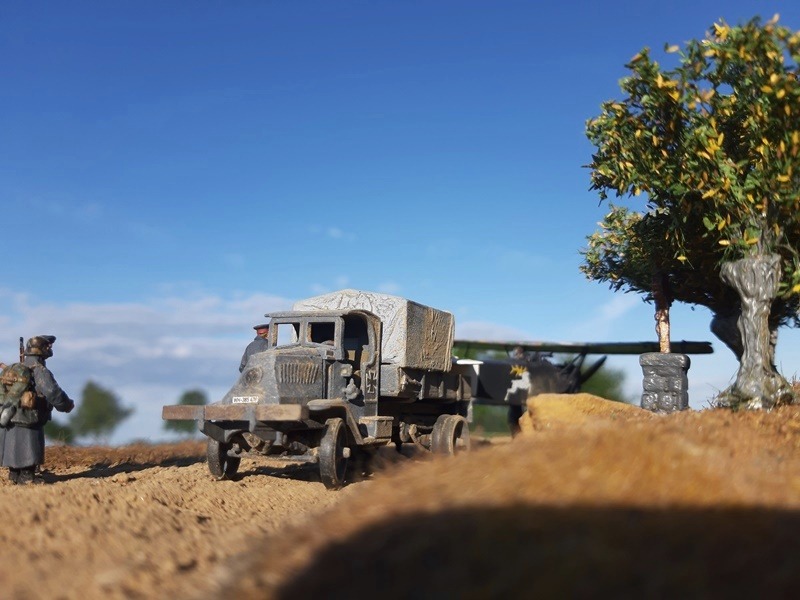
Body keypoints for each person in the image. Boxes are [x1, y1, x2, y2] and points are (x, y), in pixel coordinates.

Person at [0, 335, 74, 485]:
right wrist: (66, 405)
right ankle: (27, 476)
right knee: (29, 446)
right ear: (42, 351)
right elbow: (53, 392)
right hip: (30, 418)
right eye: (47, 347)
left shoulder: (15, 369)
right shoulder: (40, 370)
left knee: (14, 446)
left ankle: (15, 474)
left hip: (11, 416)